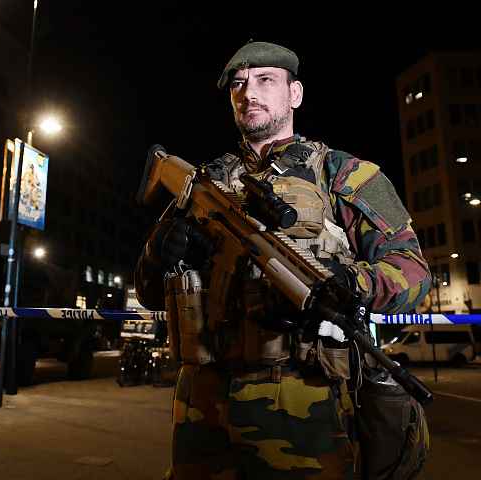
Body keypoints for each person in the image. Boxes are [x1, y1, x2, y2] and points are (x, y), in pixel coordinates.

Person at [135, 41, 431, 480]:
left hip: (303, 400)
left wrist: (349, 282)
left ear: (295, 94)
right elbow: (146, 292)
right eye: (238, 85)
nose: (248, 93)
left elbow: (413, 272)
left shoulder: (344, 173)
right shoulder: (203, 183)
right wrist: (160, 249)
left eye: (264, 80)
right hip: (201, 401)